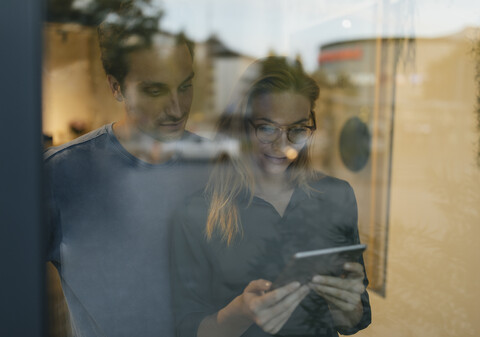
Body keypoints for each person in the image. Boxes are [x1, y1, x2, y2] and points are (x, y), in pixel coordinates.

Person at [171, 57, 371, 337]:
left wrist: (347, 305)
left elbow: (353, 321)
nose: (283, 146)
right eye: (267, 128)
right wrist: (239, 312)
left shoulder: (336, 197)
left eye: (298, 130)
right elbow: (186, 329)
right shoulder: (198, 213)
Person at [44, 2, 208, 336]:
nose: (177, 108)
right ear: (116, 86)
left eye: (185, 85)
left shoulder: (217, 167)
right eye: (155, 90)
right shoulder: (60, 175)